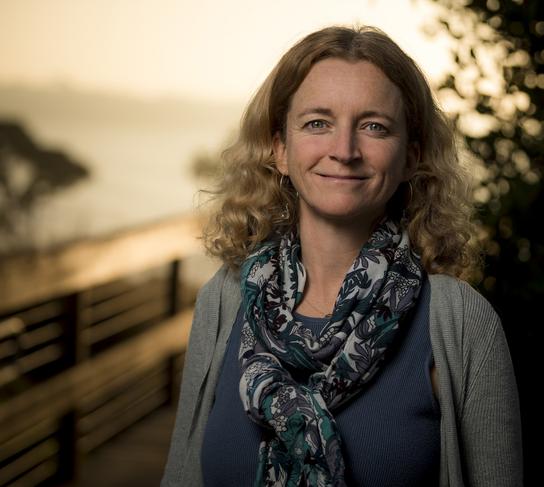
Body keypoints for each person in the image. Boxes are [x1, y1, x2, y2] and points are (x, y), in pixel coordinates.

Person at [162, 25, 522, 487]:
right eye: (317, 123)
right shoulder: (223, 301)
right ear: (280, 149)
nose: (344, 150)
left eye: (374, 126)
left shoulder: (462, 324)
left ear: (411, 156)